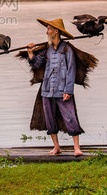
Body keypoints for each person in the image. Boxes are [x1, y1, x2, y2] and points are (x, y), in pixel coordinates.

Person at [27, 18, 84, 156]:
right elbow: (36, 64)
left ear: (56, 31)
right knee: (50, 119)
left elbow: (71, 70)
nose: (47, 32)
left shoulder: (67, 49)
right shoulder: (47, 49)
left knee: (70, 117)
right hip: (47, 90)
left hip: (62, 90)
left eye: (49, 29)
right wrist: (30, 53)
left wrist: (68, 91)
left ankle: (77, 148)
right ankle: (56, 146)